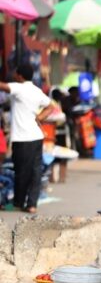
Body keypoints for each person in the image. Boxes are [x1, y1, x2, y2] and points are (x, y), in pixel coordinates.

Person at [0, 64, 54, 213]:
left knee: (21, 171)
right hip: (36, 136)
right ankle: (32, 204)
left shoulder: (19, 88)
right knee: (35, 171)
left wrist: (39, 117)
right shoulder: (36, 90)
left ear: (20, 76)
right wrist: (40, 117)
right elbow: (51, 106)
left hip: (22, 138)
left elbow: (3, 86)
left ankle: (18, 202)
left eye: (15, 73)